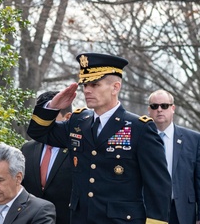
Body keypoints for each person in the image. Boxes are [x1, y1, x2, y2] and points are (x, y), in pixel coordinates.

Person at [27, 52, 171, 224]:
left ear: (115, 87)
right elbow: (38, 133)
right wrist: (52, 107)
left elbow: (158, 187)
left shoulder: (139, 128)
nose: (87, 90)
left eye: (95, 84)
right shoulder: (78, 122)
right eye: (85, 84)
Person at [147, 89, 200, 224]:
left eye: (164, 106)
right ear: (149, 110)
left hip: (182, 211)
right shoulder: (142, 138)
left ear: (173, 108)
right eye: (154, 106)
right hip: (150, 211)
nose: (159, 110)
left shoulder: (193, 139)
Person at [21, 91, 72, 224]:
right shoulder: (27, 149)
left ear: (67, 117)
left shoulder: (77, 150)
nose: (43, 123)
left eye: (50, 117)